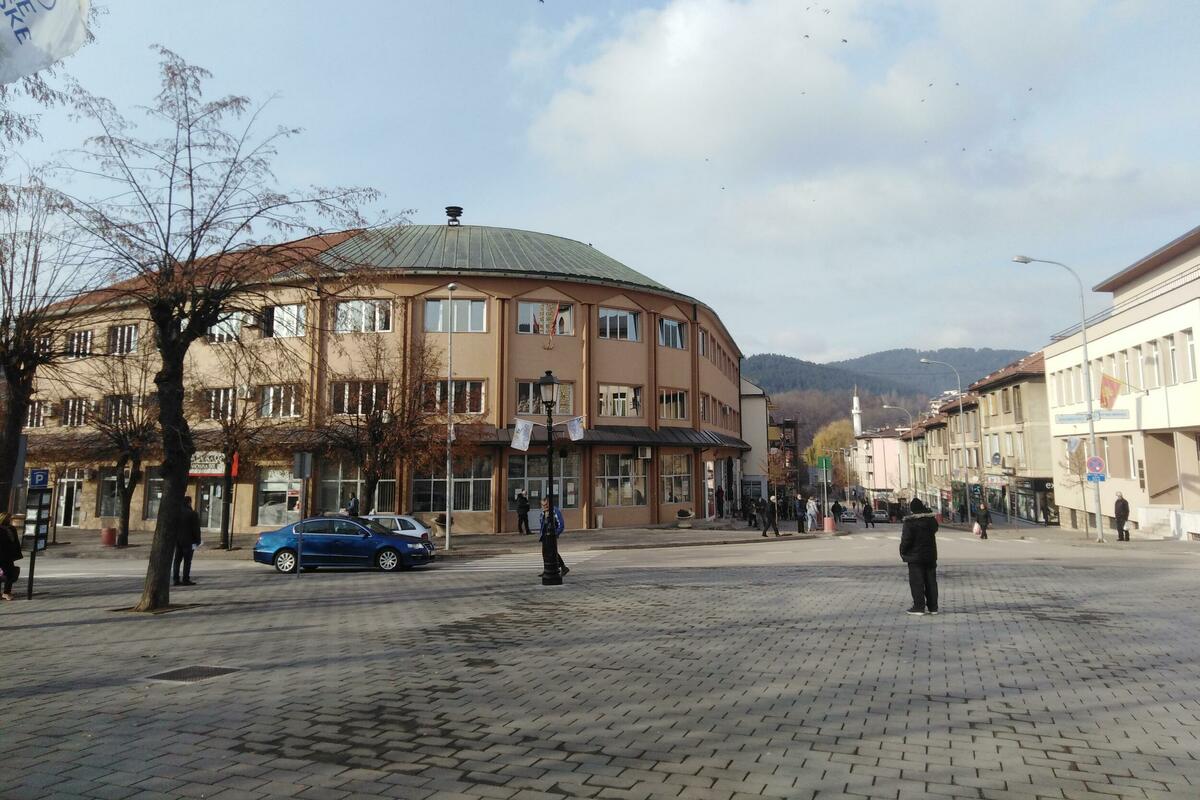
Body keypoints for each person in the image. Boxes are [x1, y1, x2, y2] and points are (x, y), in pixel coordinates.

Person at [900, 498, 939, 616]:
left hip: (915, 557)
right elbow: (935, 528)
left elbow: (906, 540)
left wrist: (903, 551)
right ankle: (933, 607)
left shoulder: (910, 522)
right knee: (931, 582)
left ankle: (919, 607)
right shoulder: (931, 521)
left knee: (917, 582)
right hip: (930, 556)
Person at [173, 496, 203, 587]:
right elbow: (196, 529)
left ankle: (176, 579)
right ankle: (185, 579)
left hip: (178, 540)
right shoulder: (192, 514)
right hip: (189, 541)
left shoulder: (176, 513)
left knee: (177, 560)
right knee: (187, 561)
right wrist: (198, 540)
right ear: (189, 502)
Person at [538, 496, 568, 577]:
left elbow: (561, 525)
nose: (545, 507)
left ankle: (563, 567)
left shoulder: (555, 511)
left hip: (552, 535)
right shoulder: (543, 513)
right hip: (545, 535)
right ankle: (546, 569)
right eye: (543, 505)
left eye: (546, 505)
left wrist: (556, 534)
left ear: (549, 503)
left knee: (553, 552)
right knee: (545, 553)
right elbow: (542, 523)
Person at [0, 513, 22, 601]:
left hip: (8, 556)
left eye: (9, 518)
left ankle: (6, 592)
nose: (9, 520)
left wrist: (16, 554)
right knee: (4, 574)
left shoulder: (11, 528)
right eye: (7, 518)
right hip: (2, 555)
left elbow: (15, 542)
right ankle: (5, 593)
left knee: (10, 574)